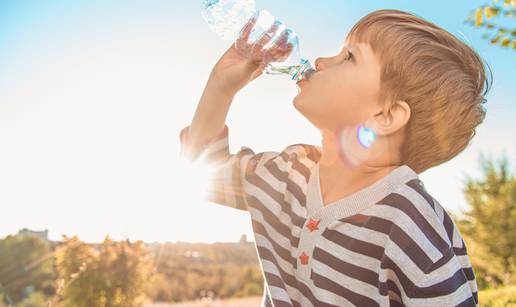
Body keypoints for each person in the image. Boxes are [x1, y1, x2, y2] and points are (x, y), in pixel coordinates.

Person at [179, 9, 490, 307]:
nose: (320, 61)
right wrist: (220, 86)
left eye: (348, 57)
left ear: (385, 115)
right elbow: (206, 175)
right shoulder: (287, 174)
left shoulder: (411, 223)